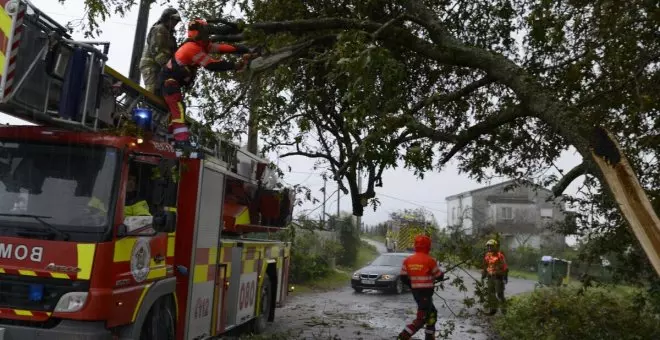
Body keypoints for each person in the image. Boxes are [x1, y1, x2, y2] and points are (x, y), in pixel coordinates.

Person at [158, 18, 257, 148]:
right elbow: (212, 65)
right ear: (197, 32)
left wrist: (246, 49)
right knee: (179, 109)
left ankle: (172, 138)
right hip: (168, 82)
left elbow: (223, 48)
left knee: (178, 109)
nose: (207, 34)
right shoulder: (191, 48)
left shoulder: (203, 45)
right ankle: (181, 141)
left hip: (173, 82)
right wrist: (235, 65)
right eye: (204, 31)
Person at [397, 234, 444, 340]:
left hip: (416, 293)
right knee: (422, 318)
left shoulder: (408, 260)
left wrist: (412, 285)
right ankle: (404, 336)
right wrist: (441, 275)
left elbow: (403, 277)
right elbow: (438, 276)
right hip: (426, 294)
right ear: (428, 246)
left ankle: (429, 336)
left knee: (432, 313)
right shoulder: (430, 260)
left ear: (415, 246)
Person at [139, 8, 181, 93]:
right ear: (167, 18)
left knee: (160, 91)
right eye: (174, 20)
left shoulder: (169, 35)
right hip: (151, 65)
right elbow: (156, 50)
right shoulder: (159, 29)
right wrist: (167, 66)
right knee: (152, 90)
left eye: (176, 21)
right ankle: (146, 106)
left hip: (159, 66)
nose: (175, 23)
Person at [481, 239, 508, 314]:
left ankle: (504, 311)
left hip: (498, 277)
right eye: (488, 246)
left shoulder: (500, 255)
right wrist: (483, 274)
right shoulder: (487, 255)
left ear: (495, 246)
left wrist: (505, 277)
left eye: (491, 246)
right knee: (490, 294)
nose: (489, 247)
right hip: (490, 277)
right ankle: (493, 310)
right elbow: (485, 265)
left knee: (499, 294)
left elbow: (505, 267)